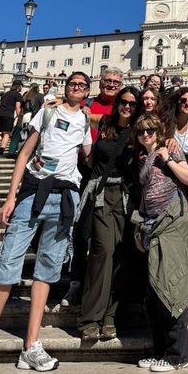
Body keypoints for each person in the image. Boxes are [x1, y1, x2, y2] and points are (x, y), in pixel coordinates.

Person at [0, 73, 93, 374]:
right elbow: (24, 154)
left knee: (47, 268)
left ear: (87, 91)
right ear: (65, 88)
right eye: (73, 83)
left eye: (82, 85)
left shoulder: (85, 119)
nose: (77, 87)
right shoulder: (47, 112)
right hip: (34, 191)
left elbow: (90, 156)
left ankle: (31, 345)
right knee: (7, 263)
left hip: (65, 196)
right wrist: (11, 197)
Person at [133, 114, 188, 372]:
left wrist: (168, 160)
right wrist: (139, 228)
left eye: (150, 130)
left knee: (171, 288)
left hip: (172, 224)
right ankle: (160, 351)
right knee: (154, 292)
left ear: (159, 130)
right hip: (152, 225)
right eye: (141, 131)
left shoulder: (170, 149)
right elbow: (145, 195)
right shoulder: (143, 158)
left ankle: (177, 355)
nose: (145, 135)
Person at [78, 86, 140, 340]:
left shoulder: (138, 130)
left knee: (121, 254)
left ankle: (111, 315)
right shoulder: (104, 122)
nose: (127, 107)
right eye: (124, 102)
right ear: (117, 104)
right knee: (102, 251)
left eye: (132, 104)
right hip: (102, 195)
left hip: (125, 197)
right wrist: (59, 102)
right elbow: (81, 113)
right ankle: (91, 317)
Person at [61, 68, 125, 308]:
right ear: (99, 83)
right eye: (107, 80)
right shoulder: (86, 104)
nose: (111, 84)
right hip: (84, 170)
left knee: (109, 235)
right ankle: (76, 281)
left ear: (121, 85)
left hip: (113, 175)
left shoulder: (126, 106)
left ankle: (106, 286)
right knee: (82, 229)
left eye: (116, 81)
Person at [0, 80, 23, 156]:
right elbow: (17, 107)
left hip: (0, 115)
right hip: (8, 115)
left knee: (4, 133)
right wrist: (20, 117)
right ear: (19, 87)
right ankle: (0, 154)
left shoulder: (5, 94)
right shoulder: (18, 95)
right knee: (7, 134)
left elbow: (0, 105)